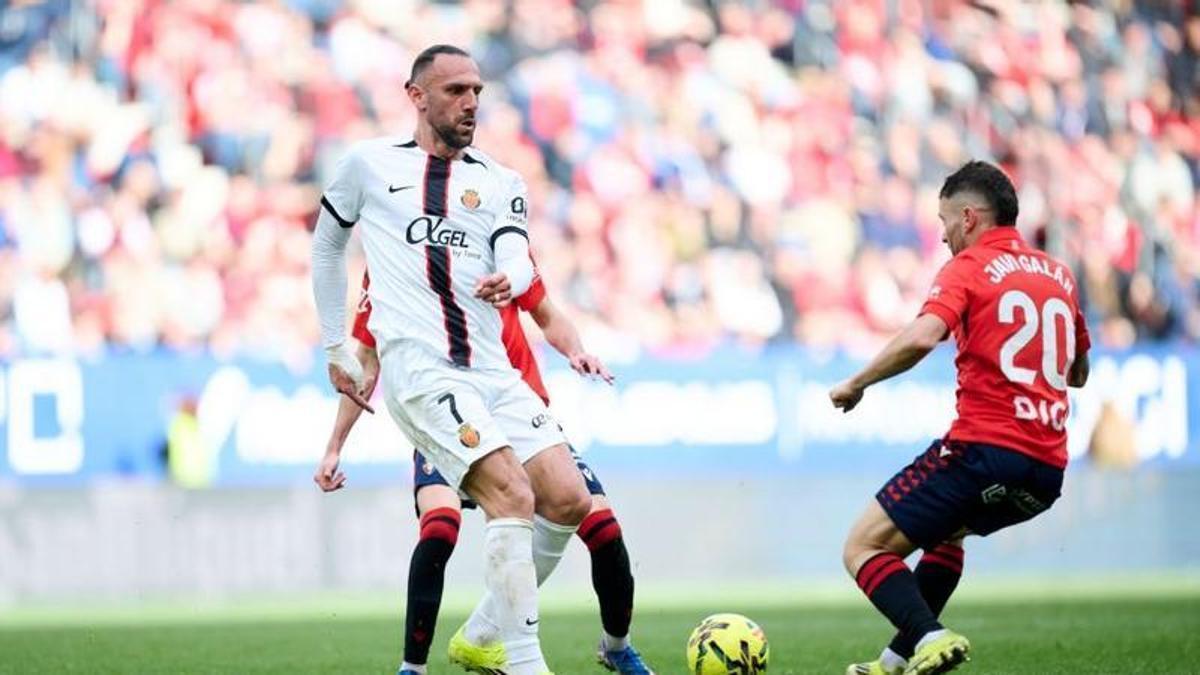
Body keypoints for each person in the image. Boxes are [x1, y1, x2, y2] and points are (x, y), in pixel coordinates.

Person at [311, 44, 594, 675]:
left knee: (569, 499)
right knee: (512, 495)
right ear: (416, 96)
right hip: (422, 374)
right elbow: (327, 247)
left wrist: (510, 277)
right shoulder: (368, 165)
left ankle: (484, 633)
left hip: (493, 371)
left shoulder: (499, 179)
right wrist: (336, 346)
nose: (470, 103)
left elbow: (518, 252)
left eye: (476, 91)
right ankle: (525, 665)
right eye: (455, 91)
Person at [315, 270, 654, 675]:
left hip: (518, 411)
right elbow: (367, 358)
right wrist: (335, 444)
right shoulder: (392, 253)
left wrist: (576, 350)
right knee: (440, 526)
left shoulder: (498, 239)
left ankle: (614, 647)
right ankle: (413, 668)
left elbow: (546, 314)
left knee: (599, 523)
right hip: (449, 412)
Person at [829, 161, 1091, 675]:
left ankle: (930, 636)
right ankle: (894, 662)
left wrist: (856, 382)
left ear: (969, 217)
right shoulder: (1059, 274)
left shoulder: (968, 267)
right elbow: (1078, 371)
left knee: (863, 546)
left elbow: (926, 335)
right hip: (1046, 472)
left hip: (982, 452)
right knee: (946, 535)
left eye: (945, 220)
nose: (943, 234)